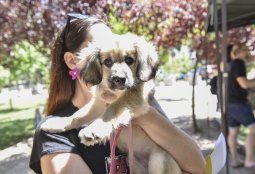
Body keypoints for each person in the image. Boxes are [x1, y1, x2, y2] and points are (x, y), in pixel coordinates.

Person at [29, 13, 206, 174]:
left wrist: (138, 110)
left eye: (129, 60)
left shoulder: (146, 102)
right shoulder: (53, 134)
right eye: (106, 59)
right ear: (73, 61)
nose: (119, 73)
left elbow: (199, 167)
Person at [227, 43, 255, 169]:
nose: (249, 52)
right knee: (253, 129)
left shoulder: (231, 64)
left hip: (230, 104)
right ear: (240, 51)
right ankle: (249, 160)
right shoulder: (238, 63)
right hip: (239, 103)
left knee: (233, 132)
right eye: (246, 50)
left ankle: (235, 160)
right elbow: (244, 83)